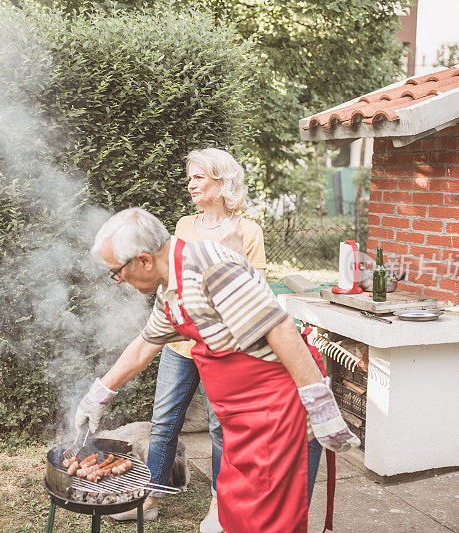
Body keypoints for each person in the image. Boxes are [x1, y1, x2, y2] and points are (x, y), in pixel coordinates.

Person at [75, 207, 359, 533]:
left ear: (143, 260)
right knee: (236, 514)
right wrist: (100, 393)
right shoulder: (171, 287)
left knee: (269, 522)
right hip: (240, 422)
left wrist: (318, 401)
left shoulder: (212, 269)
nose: (118, 280)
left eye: (117, 271)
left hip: (273, 416)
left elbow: (279, 327)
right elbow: (145, 345)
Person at [110, 148, 321, 532]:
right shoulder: (184, 225)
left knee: (222, 427)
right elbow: (173, 285)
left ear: (222, 183)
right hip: (180, 346)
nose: (190, 184)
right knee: (164, 420)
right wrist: (101, 390)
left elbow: (257, 297)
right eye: (189, 177)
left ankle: (219, 505)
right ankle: (151, 496)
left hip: (224, 351)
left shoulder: (248, 230)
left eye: (198, 178)